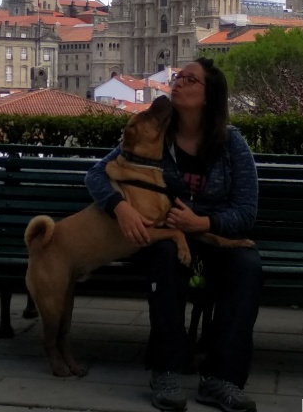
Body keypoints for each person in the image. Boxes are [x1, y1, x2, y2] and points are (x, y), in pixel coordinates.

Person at [85, 57, 261, 412]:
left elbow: (246, 211)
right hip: (165, 237)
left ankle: (222, 379)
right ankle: (166, 370)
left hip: (209, 235)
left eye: (190, 80)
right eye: (179, 77)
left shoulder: (231, 145)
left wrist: (204, 224)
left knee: (247, 264)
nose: (178, 83)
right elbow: (96, 175)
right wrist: (120, 206)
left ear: (209, 95)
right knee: (164, 257)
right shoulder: (154, 137)